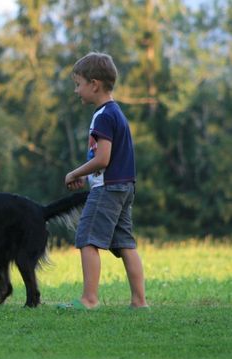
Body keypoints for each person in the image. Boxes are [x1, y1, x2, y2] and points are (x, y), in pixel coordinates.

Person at [62, 52, 148, 310]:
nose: (77, 91)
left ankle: (89, 299)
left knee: (87, 239)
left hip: (108, 189)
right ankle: (139, 301)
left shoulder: (103, 116)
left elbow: (103, 159)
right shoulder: (116, 113)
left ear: (94, 84)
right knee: (125, 243)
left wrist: (75, 173)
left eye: (78, 84)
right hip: (124, 187)